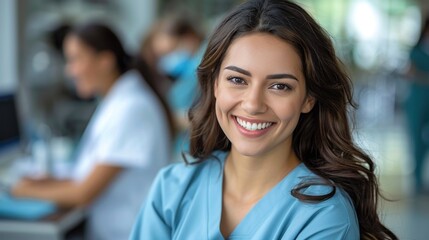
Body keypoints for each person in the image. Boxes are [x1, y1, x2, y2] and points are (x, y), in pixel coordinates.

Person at [130, 0, 397, 239]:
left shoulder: (324, 217)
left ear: (309, 98)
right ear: (214, 86)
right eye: (237, 80)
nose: (253, 104)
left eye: (280, 86)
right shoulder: (171, 189)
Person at [11, 23, 173, 240]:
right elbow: (91, 176)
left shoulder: (131, 108)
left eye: (75, 60)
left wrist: (19, 191)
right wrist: (49, 183)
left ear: (105, 61)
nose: (69, 70)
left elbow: (84, 193)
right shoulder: (119, 100)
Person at [405, 16, 429, 194]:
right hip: (417, 101)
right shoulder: (417, 51)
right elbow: (410, 73)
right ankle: (417, 181)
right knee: (416, 141)